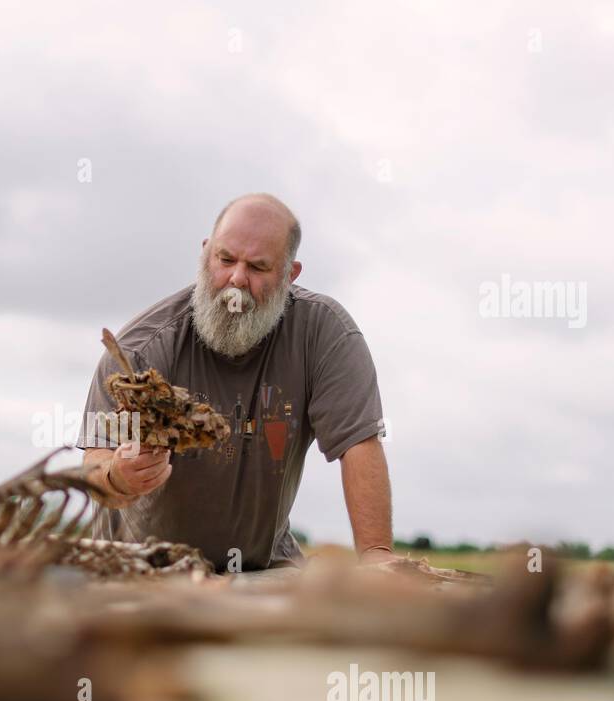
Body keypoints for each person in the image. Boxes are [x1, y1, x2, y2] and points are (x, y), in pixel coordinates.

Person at [76, 193, 393, 571]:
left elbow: (359, 444)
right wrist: (118, 475)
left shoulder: (325, 335)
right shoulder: (138, 351)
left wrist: (376, 557)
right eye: (225, 260)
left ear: (290, 274)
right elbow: (94, 462)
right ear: (206, 252)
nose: (237, 280)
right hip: (139, 567)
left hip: (261, 565)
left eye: (258, 267)